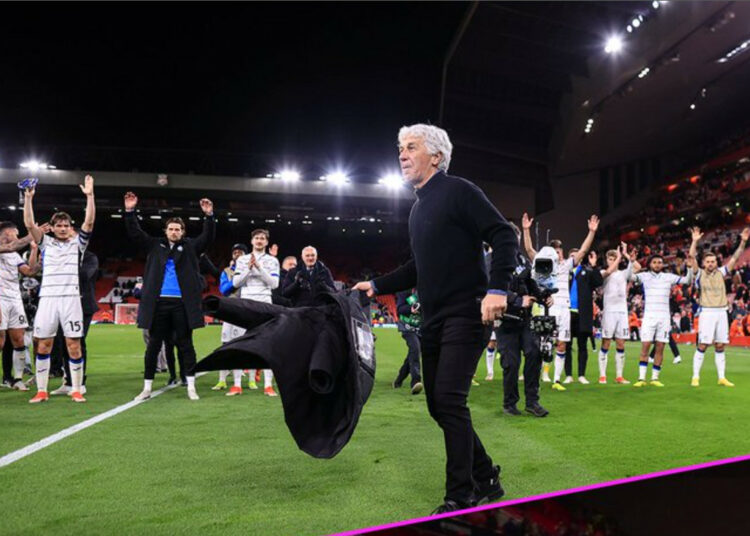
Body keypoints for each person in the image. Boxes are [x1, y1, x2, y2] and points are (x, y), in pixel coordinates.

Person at [354, 123, 517, 513]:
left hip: (468, 312)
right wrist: (375, 285)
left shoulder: (460, 191)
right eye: (400, 148)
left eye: (411, 147)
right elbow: (417, 267)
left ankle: (460, 494)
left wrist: (497, 289)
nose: (402, 154)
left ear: (436, 156)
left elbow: (504, 235)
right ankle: (487, 475)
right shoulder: (417, 209)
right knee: (437, 405)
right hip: (433, 318)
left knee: (448, 399)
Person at [124, 191, 215, 401]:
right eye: (171, 229)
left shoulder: (191, 247)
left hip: (182, 304)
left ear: (183, 232)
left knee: (186, 344)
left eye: (178, 229)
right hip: (158, 303)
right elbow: (136, 234)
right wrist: (130, 211)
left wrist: (209, 216)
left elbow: (208, 237)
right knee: (154, 345)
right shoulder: (155, 245)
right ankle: (146, 387)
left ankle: (191, 385)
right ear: (165, 231)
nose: (174, 232)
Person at [23, 175, 96, 403]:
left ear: (70, 227)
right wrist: (28, 198)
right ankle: (42, 390)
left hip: (71, 298)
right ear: (52, 228)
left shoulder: (78, 244)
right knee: (43, 344)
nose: (63, 229)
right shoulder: (46, 243)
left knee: (74, 345)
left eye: (66, 225)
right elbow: (29, 225)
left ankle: (75, 388)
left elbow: (90, 222)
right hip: (48, 299)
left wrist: (90, 196)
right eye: (59, 226)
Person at [521, 213, 599, 391]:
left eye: (559, 251)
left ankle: (556, 380)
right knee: (541, 343)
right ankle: (537, 376)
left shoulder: (566, 266)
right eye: (554, 251)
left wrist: (591, 233)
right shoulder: (542, 265)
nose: (557, 253)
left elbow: (583, 251)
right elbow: (529, 250)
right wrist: (526, 230)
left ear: (562, 254)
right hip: (546, 308)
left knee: (562, 344)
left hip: (564, 309)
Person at [494, 222, 550, 417]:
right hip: (505, 319)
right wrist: (517, 300)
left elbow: (531, 283)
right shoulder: (491, 260)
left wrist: (543, 295)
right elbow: (489, 287)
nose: (513, 242)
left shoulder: (522, 261)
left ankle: (532, 401)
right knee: (511, 362)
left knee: (534, 353)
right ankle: (510, 403)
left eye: (515, 238)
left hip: (525, 319)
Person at [631, 233, 697, 387]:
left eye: (660, 262)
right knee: (646, 346)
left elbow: (687, 280)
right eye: (654, 262)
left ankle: (654, 378)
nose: (657, 264)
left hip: (664, 317)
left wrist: (688, 268)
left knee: (660, 346)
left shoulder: (668, 277)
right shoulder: (644, 276)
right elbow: (630, 277)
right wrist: (631, 262)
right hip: (649, 317)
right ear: (650, 264)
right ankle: (641, 379)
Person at [690, 226, 748, 387]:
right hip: (707, 312)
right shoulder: (699, 274)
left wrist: (743, 242)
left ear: (716, 262)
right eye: (708, 261)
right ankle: (695, 377)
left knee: (721, 344)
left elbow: (735, 257)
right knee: (703, 345)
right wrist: (694, 241)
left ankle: (721, 377)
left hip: (722, 311)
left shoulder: (722, 272)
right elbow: (691, 257)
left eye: (713, 261)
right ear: (703, 263)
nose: (710, 263)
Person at [232, 229, 280, 396]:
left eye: (262, 238)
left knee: (269, 343)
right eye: (256, 238)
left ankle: (268, 385)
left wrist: (259, 269)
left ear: (266, 242)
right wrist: (248, 269)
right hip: (245, 301)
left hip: (265, 301)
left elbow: (274, 284)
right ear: (252, 241)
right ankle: (237, 385)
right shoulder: (242, 260)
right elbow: (236, 282)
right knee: (239, 342)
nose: (259, 241)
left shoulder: (272, 261)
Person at [50, 246, 99, 396]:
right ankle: (68, 381)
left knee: (78, 342)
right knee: (62, 343)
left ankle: (80, 383)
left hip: (83, 306)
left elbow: (84, 275)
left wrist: (65, 266)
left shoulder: (90, 257)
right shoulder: (61, 256)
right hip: (63, 304)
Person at [0, 222, 41, 390]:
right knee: (0, 340)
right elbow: (13, 246)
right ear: (5, 233)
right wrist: (33, 234)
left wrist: (34, 251)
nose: (17, 236)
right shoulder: (6, 249)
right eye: (15, 233)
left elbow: (30, 272)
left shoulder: (14, 255)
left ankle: (17, 379)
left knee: (18, 339)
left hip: (15, 299)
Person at [563, 249, 603, 384]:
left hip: (583, 314)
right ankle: (568, 375)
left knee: (582, 345)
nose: (575, 258)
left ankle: (581, 375)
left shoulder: (587, 271)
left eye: (577, 256)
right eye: (572, 256)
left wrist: (593, 265)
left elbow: (598, 282)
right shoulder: (564, 272)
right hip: (567, 313)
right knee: (566, 345)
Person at [212, 243, 248, 393]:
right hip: (229, 309)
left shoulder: (251, 270)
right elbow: (224, 290)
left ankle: (239, 382)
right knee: (225, 344)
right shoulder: (226, 271)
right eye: (235, 252)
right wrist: (237, 280)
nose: (237, 254)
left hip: (244, 309)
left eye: (240, 252)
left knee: (240, 346)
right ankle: (222, 380)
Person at [597, 244, 635, 384]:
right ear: (607, 260)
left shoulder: (623, 274)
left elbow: (632, 270)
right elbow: (607, 273)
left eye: (614, 258)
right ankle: (602, 375)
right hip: (609, 312)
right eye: (610, 259)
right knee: (606, 342)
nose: (612, 261)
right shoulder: (604, 273)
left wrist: (627, 256)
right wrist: (620, 257)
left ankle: (619, 376)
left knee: (620, 343)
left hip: (622, 312)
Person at [392, 288, 423, 395]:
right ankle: (416, 381)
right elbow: (400, 309)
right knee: (415, 348)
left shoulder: (426, 287)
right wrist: (411, 309)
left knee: (412, 353)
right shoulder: (405, 290)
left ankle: (399, 379)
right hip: (407, 327)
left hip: (421, 328)